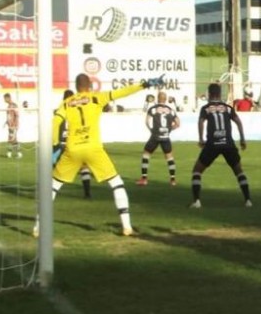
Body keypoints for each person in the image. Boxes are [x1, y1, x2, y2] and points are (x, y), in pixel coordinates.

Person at [37, 73, 164, 238]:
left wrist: (53, 142)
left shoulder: (67, 103)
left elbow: (55, 121)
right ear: (90, 86)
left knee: (53, 186)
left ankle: (38, 226)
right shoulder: (97, 97)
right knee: (116, 184)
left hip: (72, 149)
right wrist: (145, 84)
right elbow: (123, 92)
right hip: (93, 148)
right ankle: (127, 227)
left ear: (76, 87)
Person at [190, 83, 251, 209]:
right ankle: (248, 200)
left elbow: (201, 122)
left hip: (212, 144)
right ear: (219, 93)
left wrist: (201, 138)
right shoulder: (228, 108)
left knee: (197, 171)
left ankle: (196, 202)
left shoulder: (206, 108)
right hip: (228, 144)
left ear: (210, 94)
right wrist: (242, 139)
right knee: (239, 171)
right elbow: (238, 122)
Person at [52, 89, 92, 199]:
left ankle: (50, 192)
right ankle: (87, 193)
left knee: (52, 167)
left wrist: (54, 142)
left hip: (61, 145)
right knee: (84, 168)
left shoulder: (60, 110)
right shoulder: (80, 110)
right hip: (78, 143)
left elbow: (54, 126)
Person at [137, 91, 180, 186]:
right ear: (165, 99)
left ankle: (144, 179)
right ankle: (173, 180)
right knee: (169, 157)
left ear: (157, 98)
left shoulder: (153, 109)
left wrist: (151, 130)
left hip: (155, 136)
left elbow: (147, 122)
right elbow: (178, 123)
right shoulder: (171, 110)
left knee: (146, 155)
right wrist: (169, 130)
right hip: (166, 137)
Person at [4, 93, 21, 158]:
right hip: (10, 125)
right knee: (13, 139)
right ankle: (17, 153)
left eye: (5, 99)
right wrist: (7, 121)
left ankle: (11, 152)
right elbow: (10, 116)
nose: (4, 100)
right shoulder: (9, 106)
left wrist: (14, 124)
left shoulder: (14, 105)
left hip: (13, 125)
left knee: (11, 139)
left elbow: (17, 115)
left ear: (8, 98)